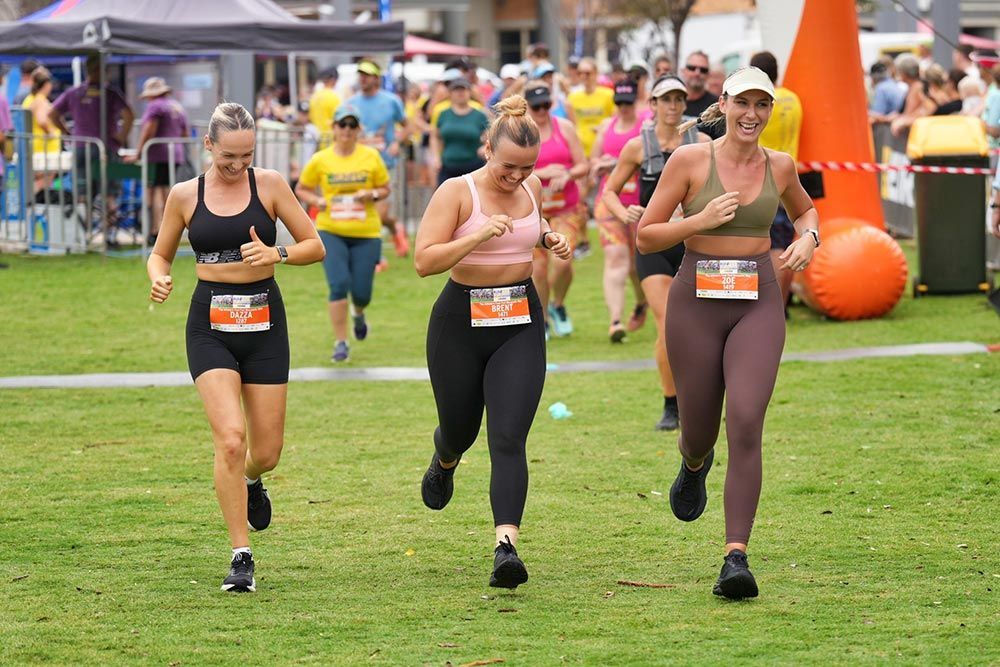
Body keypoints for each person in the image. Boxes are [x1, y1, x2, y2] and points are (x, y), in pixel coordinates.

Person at [636, 67, 819, 599]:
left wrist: (810, 238)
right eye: (744, 103)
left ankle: (735, 556)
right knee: (699, 429)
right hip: (695, 302)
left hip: (757, 301)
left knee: (745, 420)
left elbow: (806, 212)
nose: (752, 115)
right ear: (724, 103)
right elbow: (647, 236)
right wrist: (699, 221)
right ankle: (693, 464)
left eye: (763, 105)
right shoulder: (692, 159)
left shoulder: (780, 166)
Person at [146, 102, 325, 593]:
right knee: (230, 437)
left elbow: (315, 245)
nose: (238, 165)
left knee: (265, 452)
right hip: (210, 324)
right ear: (208, 146)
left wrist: (277, 253)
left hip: (265, 319)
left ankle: (251, 480)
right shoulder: (185, 195)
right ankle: (240, 553)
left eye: (246, 156)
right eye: (229, 156)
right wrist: (160, 277)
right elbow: (160, 254)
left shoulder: (268, 186)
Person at [413, 94, 571, 589]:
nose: (517, 177)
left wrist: (548, 237)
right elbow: (425, 261)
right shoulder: (457, 192)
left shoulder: (533, 187)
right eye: (508, 167)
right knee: (460, 429)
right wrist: (475, 237)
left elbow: (531, 224)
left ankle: (506, 547)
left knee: (508, 436)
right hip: (460, 319)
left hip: (519, 318)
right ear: (487, 149)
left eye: (527, 168)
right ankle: (445, 458)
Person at [602, 75, 709, 431]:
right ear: (654, 105)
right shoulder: (637, 146)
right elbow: (610, 192)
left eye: (679, 100)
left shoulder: (704, 143)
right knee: (667, 323)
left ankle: (699, 398)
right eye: (666, 100)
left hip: (695, 246)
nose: (674, 106)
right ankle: (671, 404)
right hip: (654, 247)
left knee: (701, 327)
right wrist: (624, 213)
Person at [295, 104, 390, 363]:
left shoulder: (370, 156)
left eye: (352, 125)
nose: (347, 130)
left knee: (361, 292)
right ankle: (341, 342)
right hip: (331, 230)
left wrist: (370, 193)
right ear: (334, 128)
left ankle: (358, 313)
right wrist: (317, 201)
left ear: (358, 129)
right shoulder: (321, 159)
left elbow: (384, 188)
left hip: (366, 232)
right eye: (342, 125)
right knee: (338, 285)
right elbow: (302, 188)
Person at [49, 53, 135, 246]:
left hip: (82, 148)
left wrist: (67, 132)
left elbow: (52, 113)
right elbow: (129, 114)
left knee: (82, 193)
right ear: (99, 69)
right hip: (107, 148)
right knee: (110, 193)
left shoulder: (74, 93)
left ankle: (84, 236)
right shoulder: (111, 93)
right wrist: (121, 137)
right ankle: (108, 236)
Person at [525, 82, 589, 338]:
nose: (541, 111)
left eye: (546, 105)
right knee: (538, 269)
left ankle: (557, 304)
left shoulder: (564, 128)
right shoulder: (521, 132)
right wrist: (541, 173)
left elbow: (583, 165)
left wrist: (568, 174)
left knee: (562, 260)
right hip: (534, 210)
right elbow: (507, 168)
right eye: (536, 106)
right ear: (527, 107)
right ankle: (541, 318)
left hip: (566, 208)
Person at [590, 78, 647, 343]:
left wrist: (623, 162)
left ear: (636, 100)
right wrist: (601, 165)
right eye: (619, 103)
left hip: (640, 204)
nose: (624, 108)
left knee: (636, 265)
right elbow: (593, 162)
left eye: (628, 102)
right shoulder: (606, 127)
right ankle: (615, 321)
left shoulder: (646, 126)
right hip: (609, 203)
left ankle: (641, 301)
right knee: (616, 260)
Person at [750, 51, 802, 310]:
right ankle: (781, 303)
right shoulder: (793, 99)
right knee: (784, 244)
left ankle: (771, 305)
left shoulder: (760, 103)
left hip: (762, 178)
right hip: (789, 178)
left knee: (770, 247)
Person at [348, 60, 410, 258]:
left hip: (385, 163)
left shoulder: (391, 101)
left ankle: (385, 241)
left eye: (367, 75)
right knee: (366, 211)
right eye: (360, 75)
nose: (362, 79)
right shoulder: (351, 103)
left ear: (376, 78)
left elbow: (407, 126)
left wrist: (397, 142)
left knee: (380, 213)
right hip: (359, 165)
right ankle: (388, 240)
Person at [126, 77, 190, 245]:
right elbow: (185, 133)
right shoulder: (176, 106)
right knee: (167, 192)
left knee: (153, 193)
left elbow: (149, 130)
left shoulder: (155, 106)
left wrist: (139, 152)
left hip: (157, 153)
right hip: (175, 154)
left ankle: (155, 231)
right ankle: (170, 231)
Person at [430, 78, 490, 186]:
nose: (460, 93)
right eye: (456, 90)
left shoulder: (479, 115)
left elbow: (490, 136)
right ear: (450, 93)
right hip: (448, 166)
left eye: (463, 89)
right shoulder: (443, 114)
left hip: (473, 166)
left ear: (469, 92)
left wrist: (485, 147)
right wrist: (436, 157)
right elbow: (435, 136)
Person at [566, 57, 615, 158]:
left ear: (596, 73)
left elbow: (615, 121)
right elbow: (572, 125)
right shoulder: (572, 97)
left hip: (603, 150)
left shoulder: (609, 95)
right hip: (581, 151)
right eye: (580, 73)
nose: (583, 76)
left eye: (587, 73)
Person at [22, 67, 61, 193]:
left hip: (35, 146)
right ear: (47, 84)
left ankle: (30, 203)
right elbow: (42, 120)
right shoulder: (40, 100)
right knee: (44, 180)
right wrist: (52, 133)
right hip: (44, 148)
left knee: (39, 180)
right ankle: (27, 201)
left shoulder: (29, 99)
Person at [308, 67, 341, 149]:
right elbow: (338, 118)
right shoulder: (334, 97)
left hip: (315, 139)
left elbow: (310, 117)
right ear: (333, 80)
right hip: (330, 140)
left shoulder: (314, 96)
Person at [682, 51, 714, 117]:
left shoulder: (715, 106)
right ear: (683, 71)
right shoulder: (671, 101)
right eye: (692, 68)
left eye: (703, 70)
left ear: (708, 74)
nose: (697, 73)